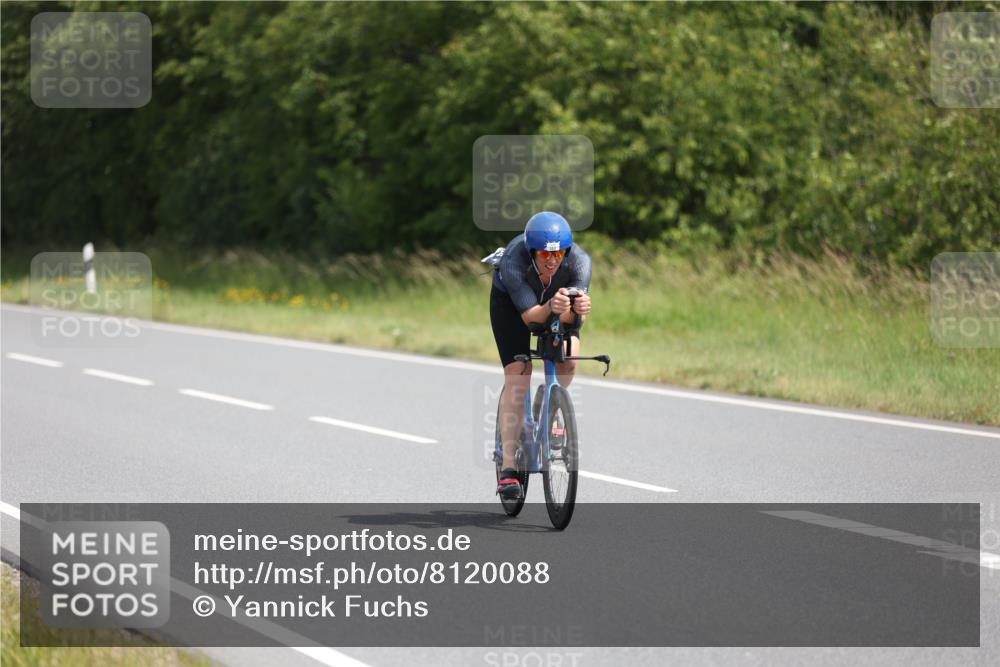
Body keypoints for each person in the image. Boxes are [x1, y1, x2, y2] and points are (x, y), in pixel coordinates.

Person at [488, 211, 592, 500]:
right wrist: (551, 307)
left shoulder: (580, 263)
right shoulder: (513, 261)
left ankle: (554, 408)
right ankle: (509, 467)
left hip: (555, 306)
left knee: (569, 357)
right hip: (513, 309)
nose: (552, 259)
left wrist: (577, 311)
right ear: (532, 251)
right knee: (519, 373)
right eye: (545, 253)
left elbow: (573, 322)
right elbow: (532, 320)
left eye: (558, 253)